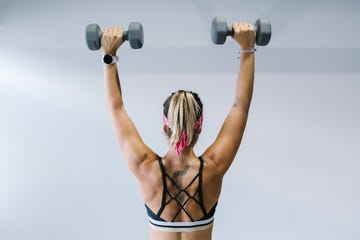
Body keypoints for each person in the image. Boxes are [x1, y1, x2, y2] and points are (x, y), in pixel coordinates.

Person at [101, 21, 255, 240]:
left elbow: (115, 107)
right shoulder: (215, 166)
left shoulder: (145, 168)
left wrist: (109, 54)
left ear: (166, 125)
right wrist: (247, 48)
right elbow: (241, 105)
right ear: (199, 125)